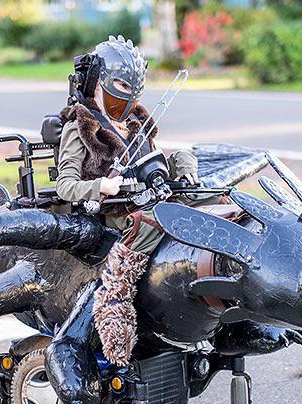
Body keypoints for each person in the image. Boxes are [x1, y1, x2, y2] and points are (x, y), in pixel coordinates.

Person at [56, 35, 199, 366]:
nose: (128, 95)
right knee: (155, 219)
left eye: (134, 88)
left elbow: (156, 163)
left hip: (151, 197)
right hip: (117, 211)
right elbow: (65, 186)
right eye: (121, 85)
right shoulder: (81, 126)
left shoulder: (137, 124)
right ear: (98, 83)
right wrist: (101, 186)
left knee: (209, 198)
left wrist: (184, 166)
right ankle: (116, 292)